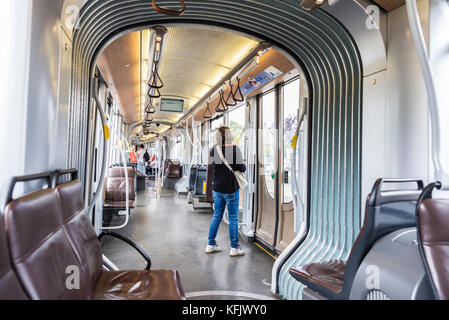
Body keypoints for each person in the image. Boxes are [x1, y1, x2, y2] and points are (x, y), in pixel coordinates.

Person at [205, 126, 247, 257]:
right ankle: (234, 248)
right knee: (233, 217)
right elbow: (242, 168)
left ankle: (210, 244)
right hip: (230, 188)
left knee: (217, 215)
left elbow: (211, 170)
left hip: (217, 188)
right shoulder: (234, 150)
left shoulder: (213, 150)